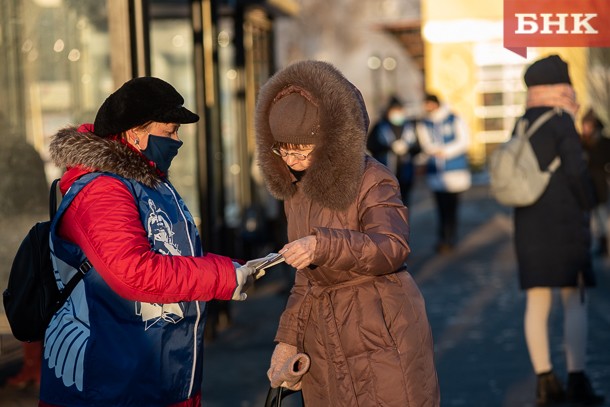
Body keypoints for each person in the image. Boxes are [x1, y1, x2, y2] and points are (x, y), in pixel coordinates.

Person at [39, 77, 256, 406]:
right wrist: (221, 277)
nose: (177, 140)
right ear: (134, 133)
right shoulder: (103, 190)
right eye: (170, 131)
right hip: (110, 383)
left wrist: (232, 267)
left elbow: (173, 254)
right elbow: (133, 271)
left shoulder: (142, 183)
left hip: (148, 373)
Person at [255, 60, 440, 406]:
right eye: (284, 149)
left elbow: (393, 247)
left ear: (326, 141)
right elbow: (305, 280)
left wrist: (324, 246)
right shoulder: (296, 190)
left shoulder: (372, 178)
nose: (292, 159)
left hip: (379, 328)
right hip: (324, 338)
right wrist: (287, 340)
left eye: (301, 149)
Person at [514, 55, 604, 406]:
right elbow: (577, 172)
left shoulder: (521, 122)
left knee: (537, 302)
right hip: (564, 222)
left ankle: (544, 381)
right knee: (574, 298)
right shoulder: (562, 121)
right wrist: (591, 204)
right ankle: (577, 380)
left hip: (528, 223)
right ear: (559, 86)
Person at [416, 93, 471, 254]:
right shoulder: (424, 123)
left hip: (454, 169)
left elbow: (464, 141)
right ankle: (443, 237)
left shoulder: (454, 118)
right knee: (440, 207)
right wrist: (434, 150)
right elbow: (425, 143)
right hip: (436, 172)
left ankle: (451, 236)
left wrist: (446, 151)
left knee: (452, 206)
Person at [367, 95, 421, 206]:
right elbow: (371, 145)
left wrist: (408, 148)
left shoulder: (410, 126)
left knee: (404, 203)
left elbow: (418, 148)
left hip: (406, 172)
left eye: (399, 110)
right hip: (385, 171)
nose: (397, 113)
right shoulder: (380, 126)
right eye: (394, 111)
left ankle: (404, 222)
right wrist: (390, 148)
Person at [580, 108, 610, 256]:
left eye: (587, 125)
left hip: (600, 185)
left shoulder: (603, 142)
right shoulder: (581, 142)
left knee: (602, 216)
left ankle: (604, 244)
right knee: (591, 218)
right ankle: (595, 243)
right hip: (587, 185)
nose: (585, 128)